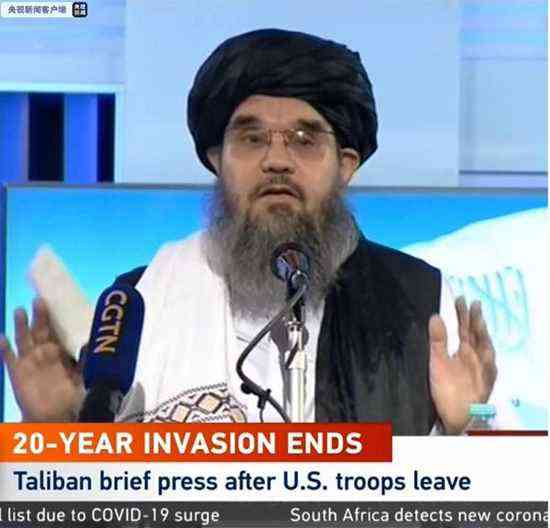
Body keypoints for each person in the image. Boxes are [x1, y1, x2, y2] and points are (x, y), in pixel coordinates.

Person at [0, 29, 497, 433]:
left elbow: (494, 464)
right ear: (217, 159)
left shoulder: (418, 301)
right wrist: (52, 427)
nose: (277, 160)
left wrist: (472, 421)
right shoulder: (138, 303)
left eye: (304, 139)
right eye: (251, 138)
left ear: (345, 165)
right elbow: (91, 488)